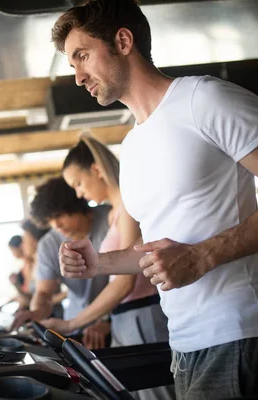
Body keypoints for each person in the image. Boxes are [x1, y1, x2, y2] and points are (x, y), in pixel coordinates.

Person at [52, 1, 258, 399]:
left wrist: (202, 256)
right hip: (183, 346)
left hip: (238, 333)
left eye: (82, 56)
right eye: (71, 63)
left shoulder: (205, 99)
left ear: (123, 41)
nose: (77, 77)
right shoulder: (132, 144)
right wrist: (100, 263)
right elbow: (163, 248)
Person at [41, 133, 174, 399]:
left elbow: (125, 281)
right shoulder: (114, 211)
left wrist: (71, 325)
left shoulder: (127, 206)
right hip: (124, 318)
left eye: (79, 183)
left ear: (96, 170)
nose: (79, 193)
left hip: (142, 315)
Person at [10, 177, 110, 345]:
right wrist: (37, 312)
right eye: (50, 220)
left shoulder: (110, 219)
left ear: (76, 205)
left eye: (59, 215)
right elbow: (43, 292)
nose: (56, 224)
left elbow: (128, 282)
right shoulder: (49, 245)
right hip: (76, 324)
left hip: (120, 316)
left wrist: (108, 322)